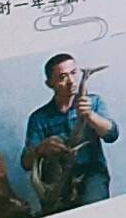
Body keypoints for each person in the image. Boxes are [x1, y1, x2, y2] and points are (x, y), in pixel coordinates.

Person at [26, 52, 119, 203]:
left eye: (74, 73)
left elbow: (112, 135)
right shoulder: (38, 118)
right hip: (58, 181)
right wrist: (41, 149)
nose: (71, 81)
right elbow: (26, 163)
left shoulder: (94, 102)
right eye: (62, 77)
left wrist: (90, 115)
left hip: (92, 174)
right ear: (49, 83)